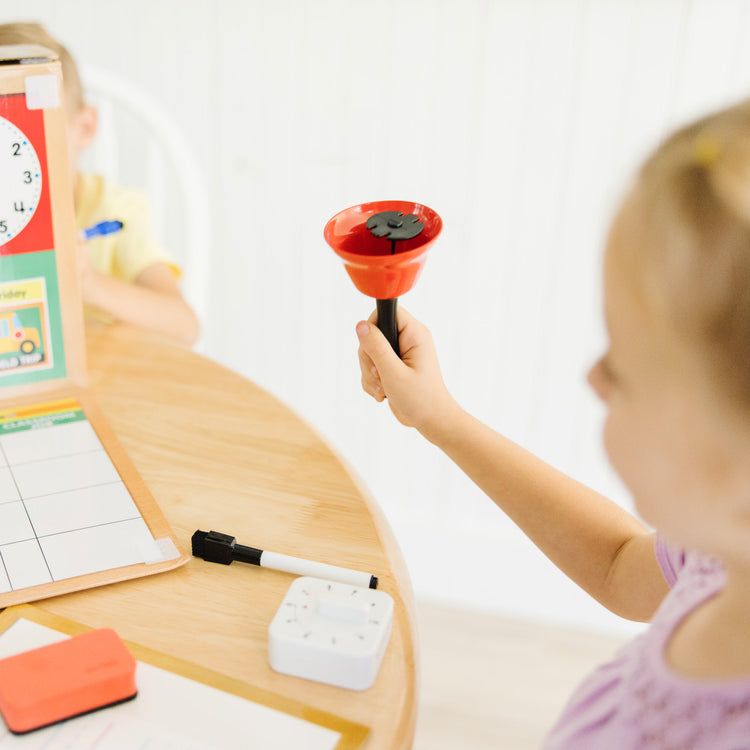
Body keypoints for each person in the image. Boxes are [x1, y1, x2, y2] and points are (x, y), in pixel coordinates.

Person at [356, 98, 750, 747]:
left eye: (623, 368)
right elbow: (622, 565)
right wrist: (440, 418)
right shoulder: (721, 559)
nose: (593, 379)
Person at [0, 23, 199, 347]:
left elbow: (184, 326)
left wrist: (88, 282)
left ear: (85, 128)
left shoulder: (114, 209)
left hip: (109, 379)